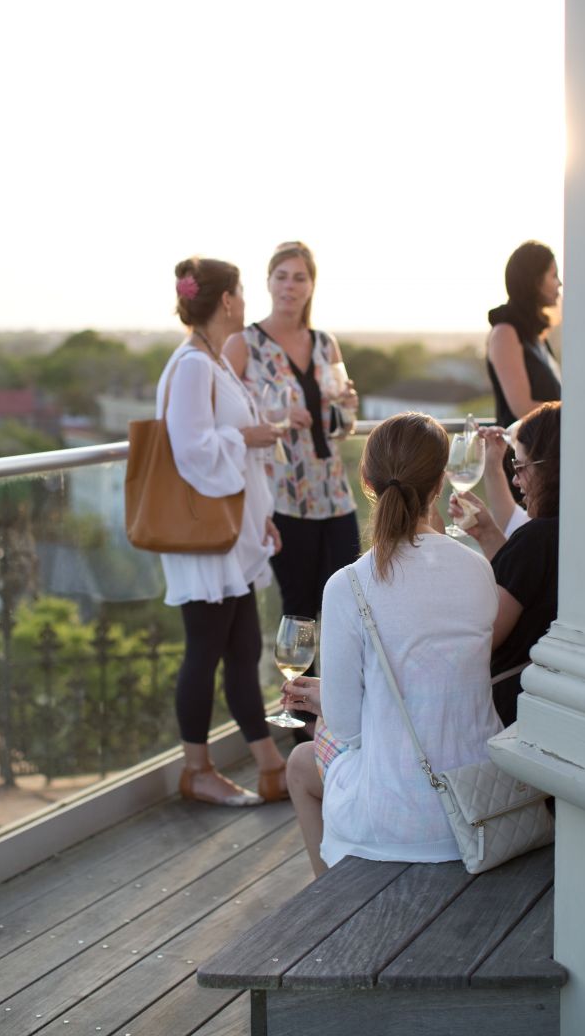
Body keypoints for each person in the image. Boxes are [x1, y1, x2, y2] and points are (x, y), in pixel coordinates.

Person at [279, 412, 502, 876]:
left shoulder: (348, 585)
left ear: (366, 480)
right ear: (440, 483)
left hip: (393, 819)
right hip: (478, 803)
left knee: (304, 759)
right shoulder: (477, 568)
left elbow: (347, 730)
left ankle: (330, 899)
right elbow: (442, 676)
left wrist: (329, 700)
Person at [156, 256, 289, 806]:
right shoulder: (193, 365)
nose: (246, 299)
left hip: (233, 533)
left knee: (241, 649)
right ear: (228, 301)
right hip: (206, 538)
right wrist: (250, 438)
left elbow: (218, 442)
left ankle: (270, 766)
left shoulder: (212, 361)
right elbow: (191, 450)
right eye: (241, 290)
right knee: (205, 650)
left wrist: (262, 517)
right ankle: (197, 769)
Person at [224, 240, 360, 644]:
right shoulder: (243, 344)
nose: (290, 286)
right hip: (281, 495)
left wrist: (348, 407)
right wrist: (276, 418)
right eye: (281, 276)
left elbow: (342, 425)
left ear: (311, 285)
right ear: (267, 282)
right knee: (299, 606)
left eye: (299, 277)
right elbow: (224, 417)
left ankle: (337, 701)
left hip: (334, 492)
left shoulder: (325, 344)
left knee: (347, 602)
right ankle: (300, 705)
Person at [449, 402, 561, 725]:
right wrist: (487, 535)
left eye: (521, 467)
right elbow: (528, 586)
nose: (516, 480)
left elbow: (482, 638)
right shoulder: (575, 533)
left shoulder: (536, 539)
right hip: (546, 701)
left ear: (549, 468)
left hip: (506, 713)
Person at [487, 241, 562, 430]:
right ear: (534, 281)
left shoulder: (535, 335)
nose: (559, 283)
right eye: (553, 276)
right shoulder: (505, 332)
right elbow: (522, 408)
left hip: (543, 452)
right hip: (520, 457)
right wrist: (577, 411)